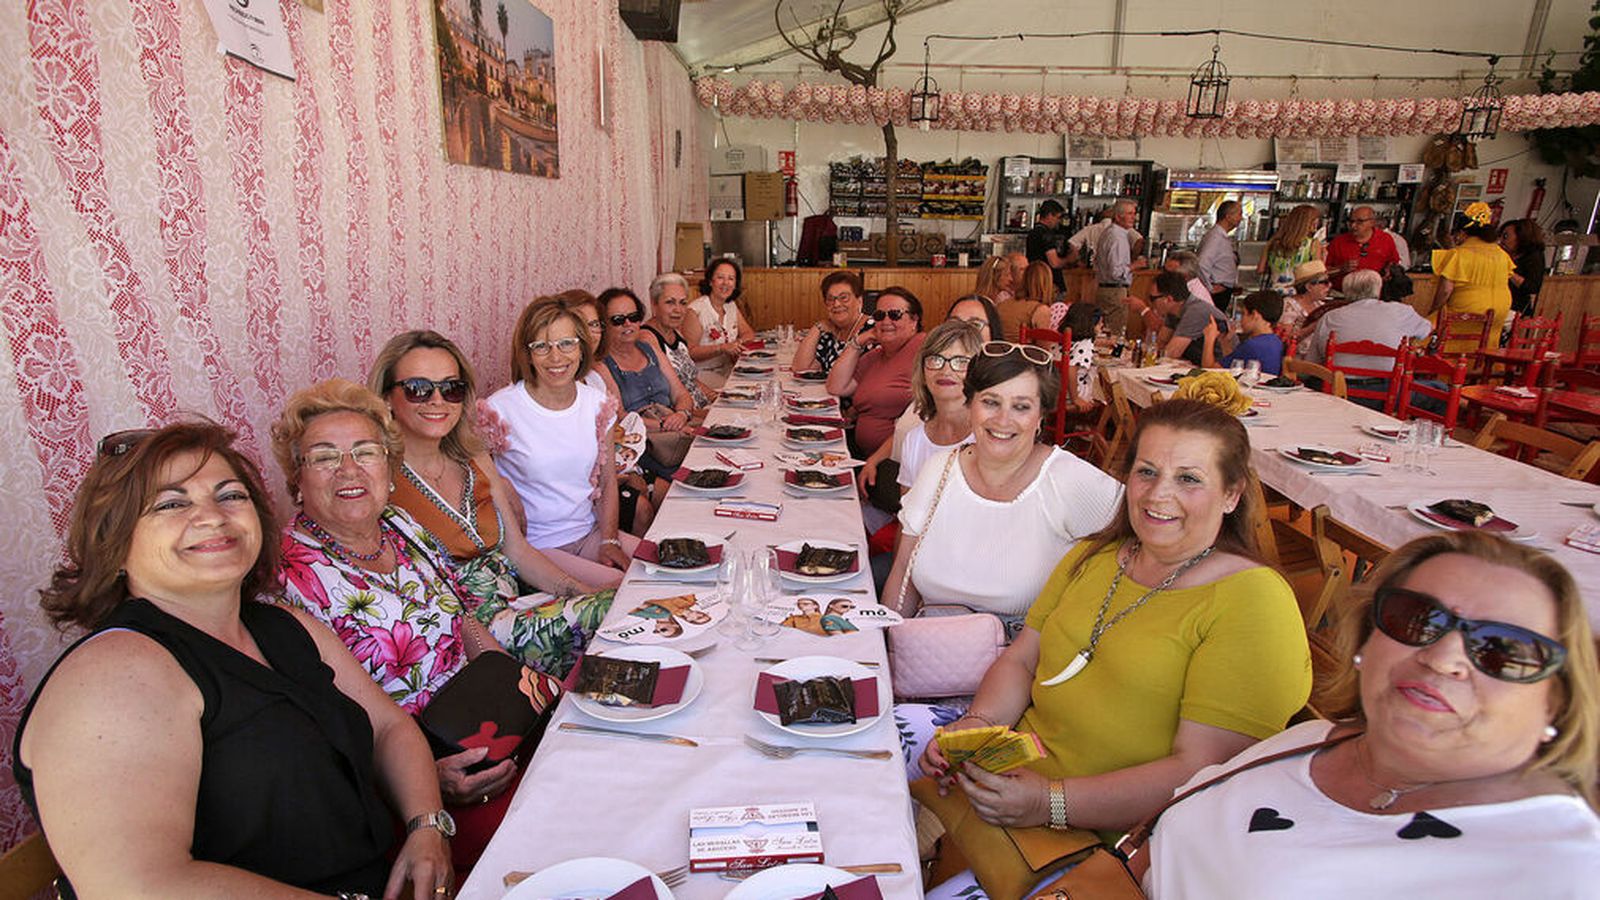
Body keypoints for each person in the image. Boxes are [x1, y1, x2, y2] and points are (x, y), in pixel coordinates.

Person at [15, 421, 451, 899]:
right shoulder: (114, 672)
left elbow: (388, 727)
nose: (213, 517)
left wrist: (427, 825)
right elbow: (138, 888)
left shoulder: (283, 625)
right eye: (171, 503)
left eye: (230, 496)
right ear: (114, 544)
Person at [907, 399, 1311, 899]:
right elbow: (1022, 658)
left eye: (1189, 478)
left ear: (1232, 494)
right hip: (1010, 785)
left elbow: (1201, 774)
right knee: (855, 756)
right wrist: (978, 725)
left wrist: (1047, 803)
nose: (1159, 494)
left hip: (1098, 844)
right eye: (1147, 471)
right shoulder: (1094, 556)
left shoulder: (1253, 600)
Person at [1141, 531, 1600, 899]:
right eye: (1417, 619)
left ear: (1556, 699)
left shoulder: (1561, 869)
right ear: (1366, 641)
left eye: (1502, 650)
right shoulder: (1307, 742)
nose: (1442, 658)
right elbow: (1160, 846)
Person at [272, 381, 566, 872]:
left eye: (365, 452)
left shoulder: (403, 527)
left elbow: (465, 619)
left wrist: (517, 690)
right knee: (554, 843)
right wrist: (428, 779)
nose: (348, 469)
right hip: (416, 786)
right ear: (296, 481)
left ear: (389, 471)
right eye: (324, 457)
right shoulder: (288, 581)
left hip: (489, 729)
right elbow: (322, 733)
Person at [369, 331, 611, 677]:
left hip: (520, 603)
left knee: (617, 602)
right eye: (418, 389)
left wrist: (582, 594)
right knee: (621, 609)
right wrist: (593, 603)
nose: (437, 400)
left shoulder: (473, 456)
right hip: (464, 635)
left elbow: (519, 552)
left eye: (451, 388)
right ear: (387, 397)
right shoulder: (378, 477)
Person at [884, 343, 1123, 624]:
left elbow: (1147, 542)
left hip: (1023, 660)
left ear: (1039, 417)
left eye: (1021, 407)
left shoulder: (1066, 479)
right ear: (970, 404)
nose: (1002, 420)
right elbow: (902, 571)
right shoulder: (939, 469)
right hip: (929, 654)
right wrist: (889, 640)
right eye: (990, 402)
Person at [486, 300, 641, 586]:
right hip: (536, 547)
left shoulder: (597, 404)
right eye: (542, 347)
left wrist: (609, 539)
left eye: (567, 344)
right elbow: (473, 477)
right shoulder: (499, 410)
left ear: (582, 348)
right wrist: (501, 485)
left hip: (590, 532)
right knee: (624, 589)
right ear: (527, 354)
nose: (556, 357)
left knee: (660, 563)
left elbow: (607, 482)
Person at [860, 319, 985, 500]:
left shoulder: (987, 439)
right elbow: (908, 518)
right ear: (923, 371)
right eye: (936, 359)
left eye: (960, 361)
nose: (946, 370)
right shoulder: (915, 440)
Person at [598, 286, 698, 474]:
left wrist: (682, 414)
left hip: (677, 432)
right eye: (618, 320)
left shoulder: (649, 349)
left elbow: (680, 393)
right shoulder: (602, 365)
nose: (628, 324)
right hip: (643, 446)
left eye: (634, 317)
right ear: (604, 325)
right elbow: (621, 417)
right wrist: (665, 426)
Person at [825, 286, 927, 458]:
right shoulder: (876, 356)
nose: (886, 321)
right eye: (880, 316)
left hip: (894, 461)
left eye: (895, 314)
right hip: (860, 453)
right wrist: (857, 342)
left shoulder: (924, 349)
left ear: (914, 320)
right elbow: (836, 387)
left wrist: (876, 460)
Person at [1301, 270, 1432, 392]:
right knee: (1440, 390)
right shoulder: (1401, 311)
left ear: (1346, 292)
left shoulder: (1330, 317)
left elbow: (1310, 365)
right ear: (1378, 290)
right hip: (1387, 392)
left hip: (1336, 390)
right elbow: (1427, 330)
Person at [642, 272, 717, 409]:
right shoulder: (647, 338)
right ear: (654, 304)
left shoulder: (676, 332)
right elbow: (666, 400)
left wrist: (716, 398)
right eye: (670, 302)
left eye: (683, 303)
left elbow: (691, 381)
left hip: (701, 407)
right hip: (681, 417)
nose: (678, 310)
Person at [682, 257, 756, 386]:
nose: (725, 283)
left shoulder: (730, 305)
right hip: (703, 375)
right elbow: (690, 353)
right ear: (711, 281)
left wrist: (736, 344)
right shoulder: (695, 310)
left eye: (731, 279)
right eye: (720, 277)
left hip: (729, 369)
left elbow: (749, 333)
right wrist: (721, 348)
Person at [793, 269, 869, 376]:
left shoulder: (872, 330)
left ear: (859, 301)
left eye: (844, 298)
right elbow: (800, 369)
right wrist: (817, 327)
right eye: (830, 299)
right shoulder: (829, 334)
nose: (836, 304)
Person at [1151, 271, 1229, 366]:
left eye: (1152, 299)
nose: (1151, 304)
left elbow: (1171, 353)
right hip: (1196, 365)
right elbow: (1161, 343)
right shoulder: (1174, 310)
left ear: (1168, 299)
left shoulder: (1196, 311)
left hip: (1218, 370)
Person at [1094, 199, 1146, 337]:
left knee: (1104, 333)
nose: (1133, 217)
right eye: (1129, 214)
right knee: (1114, 335)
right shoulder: (1117, 237)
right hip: (1115, 291)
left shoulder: (1111, 233)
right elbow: (1116, 272)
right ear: (1117, 216)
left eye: (1134, 213)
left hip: (1105, 289)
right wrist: (1136, 265)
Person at [1201, 290, 1285, 375]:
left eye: (1243, 314)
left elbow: (1209, 371)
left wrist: (1209, 338)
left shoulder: (1253, 345)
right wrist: (1225, 343)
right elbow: (1233, 365)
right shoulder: (1275, 341)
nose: (1241, 320)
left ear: (1254, 315)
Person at [1325, 205, 1400, 291]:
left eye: (1360, 222)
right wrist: (1340, 268)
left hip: (1374, 295)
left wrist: (1389, 271)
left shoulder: (1385, 239)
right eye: (1351, 221)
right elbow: (1323, 272)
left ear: (1372, 222)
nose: (1353, 226)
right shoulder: (1338, 242)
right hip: (1341, 294)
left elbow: (1394, 263)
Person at [1261, 204, 1324, 294]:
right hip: (1298, 295)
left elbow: (1261, 269)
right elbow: (1318, 275)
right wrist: (1324, 257)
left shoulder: (1274, 242)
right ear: (1312, 223)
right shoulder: (1313, 244)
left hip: (1273, 294)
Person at [1196, 200, 1243, 310]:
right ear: (1228, 216)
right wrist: (1208, 288)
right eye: (1239, 214)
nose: (1241, 218)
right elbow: (1202, 263)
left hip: (1223, 290)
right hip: (1216, 293)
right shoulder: (1215, 237)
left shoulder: (1221, 237)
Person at [1500, 218, 1547, 317]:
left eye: (1506, 236)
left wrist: (1510, 272)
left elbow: (1532, 287)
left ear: (1520, 237)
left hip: (1516, 309)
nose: (1501, 241)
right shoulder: (1505, 253)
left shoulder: (1534, 256)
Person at [1001, 261, 1057, 342]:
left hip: (996, 353)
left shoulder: (1002, 304)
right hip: (1023, 353)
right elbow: (1043, 349)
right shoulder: (1040, 310)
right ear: (1047, 283)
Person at [1279, 260, 1332, 338]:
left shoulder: (1319, 305)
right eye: (1325, 282)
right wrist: (1313, 327)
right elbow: (1286, 339)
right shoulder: (1289, 306)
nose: (1330, 285)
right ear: (1309, 287)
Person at [1027, 198, 1070, 290]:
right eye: (1058, 217)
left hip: (1035, 279)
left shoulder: (1033, 232)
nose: (1058, 221)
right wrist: (1069, 259)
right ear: (1049, 215)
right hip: (1050, 282)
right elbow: (1054, 262)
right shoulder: (1046, 234)